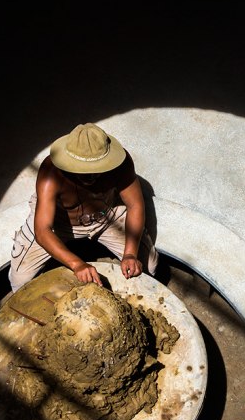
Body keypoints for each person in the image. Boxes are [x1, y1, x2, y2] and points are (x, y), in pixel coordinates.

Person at [9, 122, 159, 293]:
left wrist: (130, 254)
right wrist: (77, 264)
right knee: (20, 280)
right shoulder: (51, 173)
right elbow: (42, 230)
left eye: (98, 168)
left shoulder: (122, 164)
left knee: (149, 265)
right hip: (60, 224)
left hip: (106, 216)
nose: (91, 176)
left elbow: (135, 205)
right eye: (83, 170)